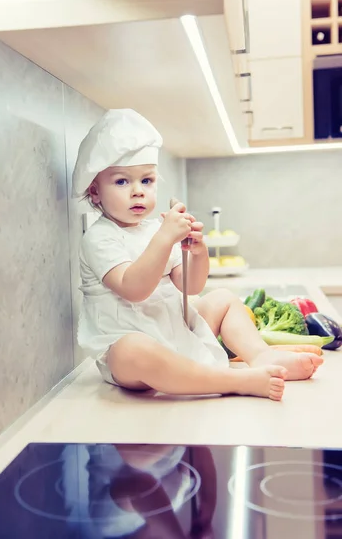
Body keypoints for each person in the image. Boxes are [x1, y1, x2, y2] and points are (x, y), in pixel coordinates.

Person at [72, 109, 323, 400]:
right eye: (121, 182)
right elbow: (134, 289)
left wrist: (197, 251)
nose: (138, 192)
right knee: (133, 350)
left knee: (224, 299)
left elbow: (191, 286)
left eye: (147, 180)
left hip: (175, 333)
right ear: (95, 192)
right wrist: (165, 238)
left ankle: (262, 356)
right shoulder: (99, 237)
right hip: (129, 350)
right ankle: (231, 381)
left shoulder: (155, 228)